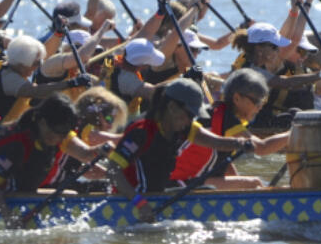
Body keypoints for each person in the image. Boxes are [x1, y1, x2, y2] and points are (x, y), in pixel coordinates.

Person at [105, 79, 258, 222]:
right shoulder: (141, 132)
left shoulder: (184, 128)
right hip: (130, 202)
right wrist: (139, 202)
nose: (190, 121)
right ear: (172, 107)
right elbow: (112, 170)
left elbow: (215, 141)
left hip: (157, 198)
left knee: (207, 191)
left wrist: (240, 143)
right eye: (189, 115)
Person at [0, 93, 110, 227]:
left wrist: (102, 150)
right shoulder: (16, 142)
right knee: (69, 195)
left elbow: (85, 154)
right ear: (42, 122)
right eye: (55, 134)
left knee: (71, 195)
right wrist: (9, 217)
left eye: (63, 135)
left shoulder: (59, 131)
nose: (58, 139)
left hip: (21, 193)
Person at [171, 69, 289, 190]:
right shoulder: (227, 120)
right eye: (257, 102)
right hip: (182, 183)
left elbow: (224, 163)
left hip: (189, 179)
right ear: (237, 98)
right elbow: (262, 148)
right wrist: (293, 133)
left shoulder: (220, 113)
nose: (259, 108)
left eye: (263, 102)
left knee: (249, 185)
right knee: (254, 183)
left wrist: (238, 186)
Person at [235, 21, 321, 128]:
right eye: (275, 47)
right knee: (293, 118)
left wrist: (298, 8)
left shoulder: (258, 64)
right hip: (242, 122)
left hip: (258, 116)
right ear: (259, 49)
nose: (278, 51)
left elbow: (294, 38)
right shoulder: (250, 70)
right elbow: (285, 83)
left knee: (296, 112)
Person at [0, 36, 93, 122]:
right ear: (21, 64)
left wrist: (58, 34)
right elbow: (35, 91)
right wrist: (71, 83)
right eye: (36, 63)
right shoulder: (9, 77)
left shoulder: (14, 64)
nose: (38, 66)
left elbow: (47, 52)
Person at [42, 87, 127, 193]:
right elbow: (103, 140)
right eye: (109, 119)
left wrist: (108, 173)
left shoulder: (78, 131)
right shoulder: (82, 127)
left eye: (113, 120)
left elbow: (85, 169)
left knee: (106, 186)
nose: (110, 126)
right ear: (99, 114)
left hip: (56, 183)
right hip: (48, 187)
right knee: (104, 189)